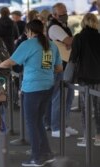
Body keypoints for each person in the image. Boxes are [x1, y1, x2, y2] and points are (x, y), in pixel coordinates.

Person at [0, 19, 63, 166]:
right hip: (48, 86)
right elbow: (59, 68)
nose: (25, 34)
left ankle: (36, 157)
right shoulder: (51, 45)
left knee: (32, 123)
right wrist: (44, 69)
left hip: (32, 88)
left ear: (30, 31)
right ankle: (46, 153)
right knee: (38, 121)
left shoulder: (28, 44)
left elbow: (10, 62)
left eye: (26, 32)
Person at [47, 3, 78, 138]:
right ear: (54, 15)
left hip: (66, 65)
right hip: (59, 66)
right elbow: (69, 40)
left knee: (68, 97)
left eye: (66, 12)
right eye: (62, 13)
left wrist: (69, 42)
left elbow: (69, 42)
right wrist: (73, 41)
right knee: (59, 97)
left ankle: (63, 124)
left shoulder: (63, 26)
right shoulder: (54, 27)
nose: (65, 15)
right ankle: (56, 127)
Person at [69, 13, 100, 147]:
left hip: (84, 78)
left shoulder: (79, 38)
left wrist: (67, 78)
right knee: (98, 108)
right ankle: (99, 136)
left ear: (83, 23)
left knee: (86, 108)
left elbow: (73, 59)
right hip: (99, 77)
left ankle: (87, 138)